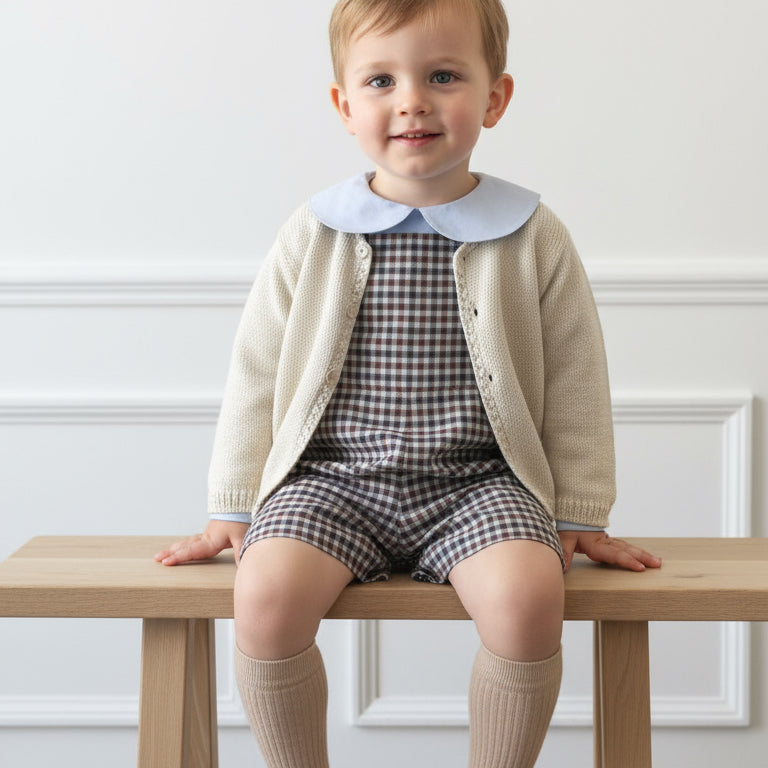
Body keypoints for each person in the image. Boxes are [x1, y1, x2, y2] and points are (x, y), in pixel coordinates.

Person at [156, 0, 662, 765]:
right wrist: (231, 503)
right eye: (382, 79)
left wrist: (579, 509)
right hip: (331, 480)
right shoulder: (315, 231)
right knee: (263, 594)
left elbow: (576, 376)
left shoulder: (532, 234)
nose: (412, 100)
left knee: (529, 599)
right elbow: (257, 368)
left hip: (480, 485)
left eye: (444, 75)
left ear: (495, 98)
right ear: (344, 103)